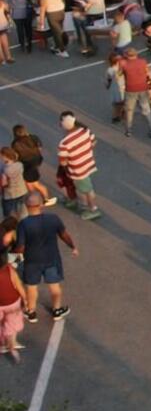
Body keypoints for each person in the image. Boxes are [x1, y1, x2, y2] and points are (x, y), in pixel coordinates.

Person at [16, 193, 76, 322]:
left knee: (31, 287)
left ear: (27, 206)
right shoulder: (53, 218)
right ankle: (57, 310)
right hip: (51, 259)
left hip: (32, 261)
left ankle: (31, 312)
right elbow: (63, 234)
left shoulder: (24, 224)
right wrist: (73, 247)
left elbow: (20, 247)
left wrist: (12, 254)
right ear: (41, 205)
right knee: (54, 287)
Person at [56, 112, 100, 220]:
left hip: (77, 170)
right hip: (88, 163)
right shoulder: (85, 130)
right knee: (85, 187)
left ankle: (92, 209)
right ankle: (83, 204)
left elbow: (63, 162)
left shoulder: (64, 143)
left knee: (86, 189)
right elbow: (94, 142)